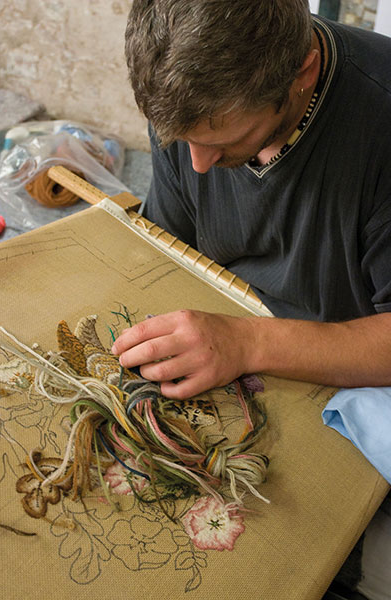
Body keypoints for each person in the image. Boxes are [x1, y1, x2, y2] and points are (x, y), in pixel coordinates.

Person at [111, 0, 391, 403]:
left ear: (303, 74)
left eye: (223, 143)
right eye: (180, 139)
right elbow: (166, 252)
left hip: (350, 371)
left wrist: (246, 343)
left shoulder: (380, 128)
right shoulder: (184, 103)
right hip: (226, 323)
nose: (198, 164)